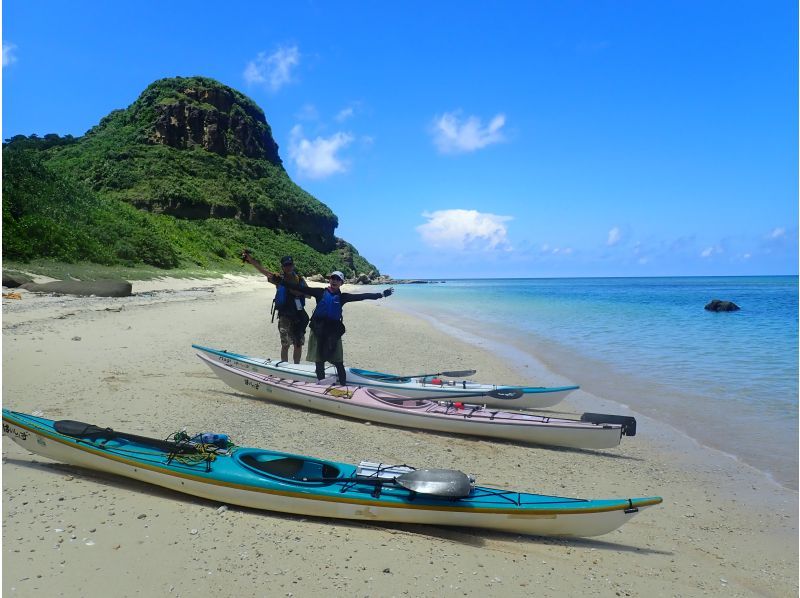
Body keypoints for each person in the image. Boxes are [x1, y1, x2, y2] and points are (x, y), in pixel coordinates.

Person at [243, 256, 394, 385]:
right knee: (319, 359)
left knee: (338, 360)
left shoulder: (343, 297)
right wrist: (280, 281)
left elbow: (362, 296)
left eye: (338, 279)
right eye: (332, 278)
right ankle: (320, 384)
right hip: (318, 328)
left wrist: (381, 294)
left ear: (341, 282)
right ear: (329, 280)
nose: (334, 281)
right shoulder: (320, 292)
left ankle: (343, 384)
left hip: (333, 330)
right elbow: (297, 287)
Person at [243, 252, 309, 363]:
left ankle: (296, 367)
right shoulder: (279, 279)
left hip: (298, 316)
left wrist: (300, 293)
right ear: (282, 267)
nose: (288, 267)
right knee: (285, 345)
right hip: (284, 317)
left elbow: (309, 295)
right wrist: (251, 260)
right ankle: (284, 367)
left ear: (293, 265)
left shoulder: (300, 280)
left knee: (298, 344)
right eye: (286, 265)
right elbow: (264, 271)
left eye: (290, 264)